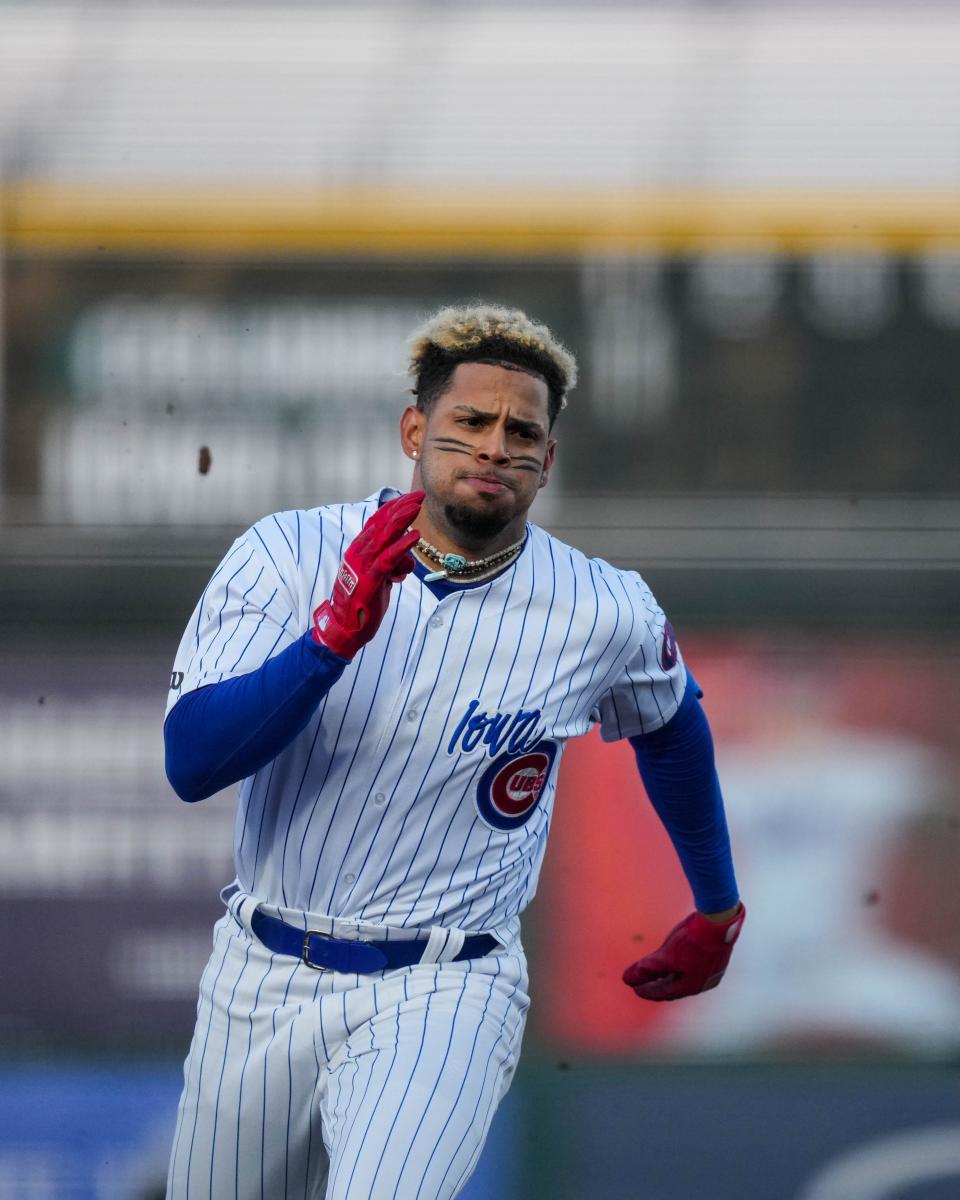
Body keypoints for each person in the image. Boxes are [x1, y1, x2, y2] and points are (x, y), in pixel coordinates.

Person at [162, 303, 744, 1199]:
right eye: (470, 421)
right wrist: (325, 646)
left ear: (547, 460)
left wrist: (715, 906)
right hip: (261, 975)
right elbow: (192, 763)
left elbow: (673, 725)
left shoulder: (602, 608)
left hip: (446, 985)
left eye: (522, 431)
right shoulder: (287, 553)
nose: (494, 447)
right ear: (415, 430)